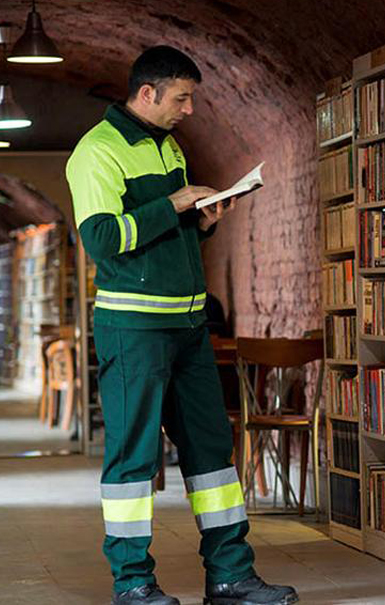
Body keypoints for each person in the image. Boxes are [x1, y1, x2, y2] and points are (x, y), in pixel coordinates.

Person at [66, 45, 298, 605]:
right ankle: (133, 584)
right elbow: (103, 241)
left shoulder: (167, 146)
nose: (190, 109)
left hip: (189, 325)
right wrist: (173, 204)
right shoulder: (95, 153)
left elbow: (165, 233)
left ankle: (230, 576)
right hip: (134, 328)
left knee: (212, 453)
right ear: (147, 94)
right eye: (182, 97)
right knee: (133, 458)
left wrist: (203, 221)